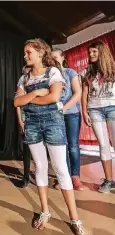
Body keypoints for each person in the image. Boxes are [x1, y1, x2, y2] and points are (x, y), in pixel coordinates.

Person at [14, 39, 86, 234]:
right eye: (24, 52)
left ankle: (74, 217)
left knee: (61, 169)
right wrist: (36, 93)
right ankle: (45, 211)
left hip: (53, 122)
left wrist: (28, 101)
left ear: (39, 52)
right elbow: (16, 102)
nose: (25, 56)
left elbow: (54, 97)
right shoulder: (24, 78)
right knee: (40, 168)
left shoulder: (53, 72)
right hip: (33, 125)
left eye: (28, 52)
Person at [51, 48, 87, 191]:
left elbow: (77, 93)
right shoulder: (51, 76)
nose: (53, 60)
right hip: (56, 116)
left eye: (56, 57)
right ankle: (64, 178)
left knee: (72, 146)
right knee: (62, 147)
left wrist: (64, 108)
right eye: (51, 58)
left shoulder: (70, 72)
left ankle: (75, 178)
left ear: (62, 57)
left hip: (71, 114)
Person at [81, 41, 115, 193]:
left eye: (94, 52)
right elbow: (84, 94)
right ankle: (108, 181)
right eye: (89, 53)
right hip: (95, 110)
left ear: (102, 52)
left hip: (113, 108)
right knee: (103, 145)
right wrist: (84, 112)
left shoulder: (113, 70)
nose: (91, 55)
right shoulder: (87, 72)